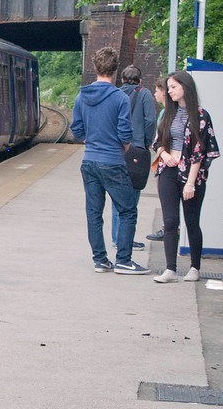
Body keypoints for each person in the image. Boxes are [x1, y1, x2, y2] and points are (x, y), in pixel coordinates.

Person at [70, 47, 150, 275]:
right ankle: (124, 260)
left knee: (94, 213)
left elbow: (76, 128)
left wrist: (90, 141)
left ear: (95, 68)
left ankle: (100, 260)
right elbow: (126, 134)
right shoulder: (119, 97)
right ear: (116, 71)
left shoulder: (81, 96)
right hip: (112, 162)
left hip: (89, 162)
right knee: (127, 210)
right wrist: (122, 148)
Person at [152, 71, 220, 283]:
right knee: (170, 221)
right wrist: (164, 154)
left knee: (192, 221)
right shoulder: (168, 114)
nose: (169, 91)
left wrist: (190, 182)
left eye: (172, 87)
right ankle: (170, 269)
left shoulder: (201, 115)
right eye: (168, 87)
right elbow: (157, 142)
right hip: (169, 171)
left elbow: (200, 150)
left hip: (192, 174)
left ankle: (194, 267)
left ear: (185, 87)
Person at [110, 65, 156, 251]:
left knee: (116, 195)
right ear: (140, 80)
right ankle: (126, 239)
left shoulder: (115, 94)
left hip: (116, 150)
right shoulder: (144, 94)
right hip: (136, 149)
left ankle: (116, 237)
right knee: (133, 194)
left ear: (122, 80)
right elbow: (151, 120)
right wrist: (146, 141)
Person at [146, 77, 168, 242]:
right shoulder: (163, 112)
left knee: (166, 197)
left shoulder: (166, 113)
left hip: (166, 161)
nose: (155, 94)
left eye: (157, 91)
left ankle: (166, 228)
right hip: (164, 160)